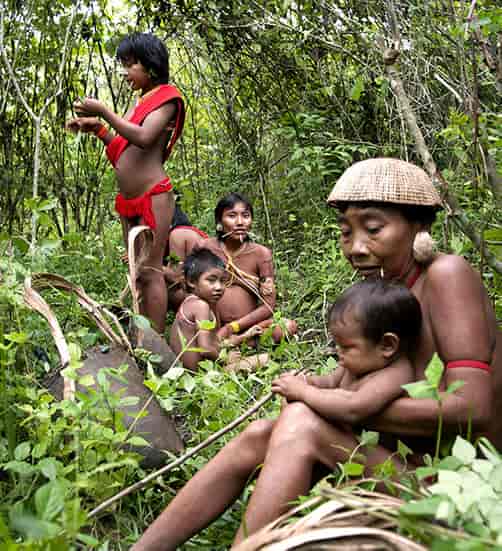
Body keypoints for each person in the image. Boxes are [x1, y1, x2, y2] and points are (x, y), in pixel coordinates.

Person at [131, 158, 501, 550]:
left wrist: (336, 403)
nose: (356, 247)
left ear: (419, 226)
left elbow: (473, 408)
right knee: (261, 434)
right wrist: (322, 391)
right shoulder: (391, 291)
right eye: (346, 233)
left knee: (303, 424)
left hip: (461, 485)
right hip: (408, 466)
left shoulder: (446, 275)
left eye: (374, 230)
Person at [66, 32, 185, 334]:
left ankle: (154, 344)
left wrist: (104, 111)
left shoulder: (168, 98)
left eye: (130, 65)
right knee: (138, 273)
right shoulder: (141, 102)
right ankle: (141, 335)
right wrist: (98, 129)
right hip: (129, 201)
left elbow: (144, 139)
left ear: (151, 66)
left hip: (153, 195)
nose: (124, 73)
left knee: (150, 271)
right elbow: (125, 150)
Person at [272, 278, 420, 425]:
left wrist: (302, 391)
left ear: (387, 345)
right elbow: (329, 382)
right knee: (258, 429)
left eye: (346, 347)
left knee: (297, 414)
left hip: (363, 446)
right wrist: (305, 381)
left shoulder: (395, 375)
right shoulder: (353, 365)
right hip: (339, 439)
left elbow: (353, 408)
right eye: (337, 345)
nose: (338, 351)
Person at [198, 192, 298, 344]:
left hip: (248, 326)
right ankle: (228, 343)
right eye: (231, 216)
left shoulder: (261, 254)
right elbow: (192, 288)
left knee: (287, 326)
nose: (240, 222)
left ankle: (235, 341)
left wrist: (233, 327)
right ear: (219, 221)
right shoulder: (205, 248)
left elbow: (268, 306)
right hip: (211, 323)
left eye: (245, 216)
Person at [169, 249, 266, 372]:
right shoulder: (200, 306)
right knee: (264, 359)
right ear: (191, 281)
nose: (219, 287)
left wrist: (244, 336)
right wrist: (225, 359)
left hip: (191, 372)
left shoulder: (190, 303)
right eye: (211, 280)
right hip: (199, 376)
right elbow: (205, 349)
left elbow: (213, 342)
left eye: (222, 281)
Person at [163, 204, 208, 311]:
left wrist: (144, 263)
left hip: (201, 295)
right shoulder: (187, 231)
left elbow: (175, 277)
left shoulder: (178, 234)